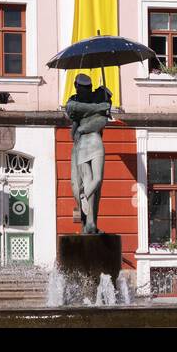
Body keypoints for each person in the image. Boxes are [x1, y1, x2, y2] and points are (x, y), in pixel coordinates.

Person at [65, 73, 112, 234]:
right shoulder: (75, 101)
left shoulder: (101, 96)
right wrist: (100, 107)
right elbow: (72, 109)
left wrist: (104, 106)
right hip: (80, 145)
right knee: (79, 183)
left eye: (87, 88)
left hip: (93, 142)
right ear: (76, 86)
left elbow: (102, 121)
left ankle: (91, 222)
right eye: (82, 88)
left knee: (94, 183)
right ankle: (88, 222)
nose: (84, 90)